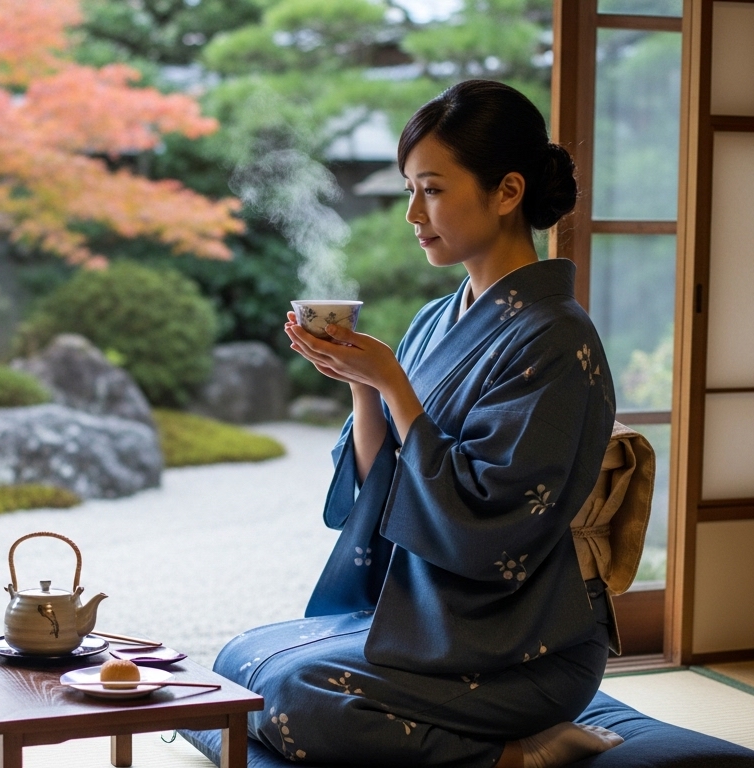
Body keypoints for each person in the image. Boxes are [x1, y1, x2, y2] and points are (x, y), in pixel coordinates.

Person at [212, 80, 624, 768]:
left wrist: (394, 382)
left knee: (293, 698)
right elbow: (384, 489)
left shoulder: (557, 337)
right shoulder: (437, 320)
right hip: (433, 621)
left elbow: (491, 525)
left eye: (431, 188)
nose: (412, 212)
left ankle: (521, 753)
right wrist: (362, 386)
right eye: (410, 188)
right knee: (234, 664)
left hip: (520, 643)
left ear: (508, 191)